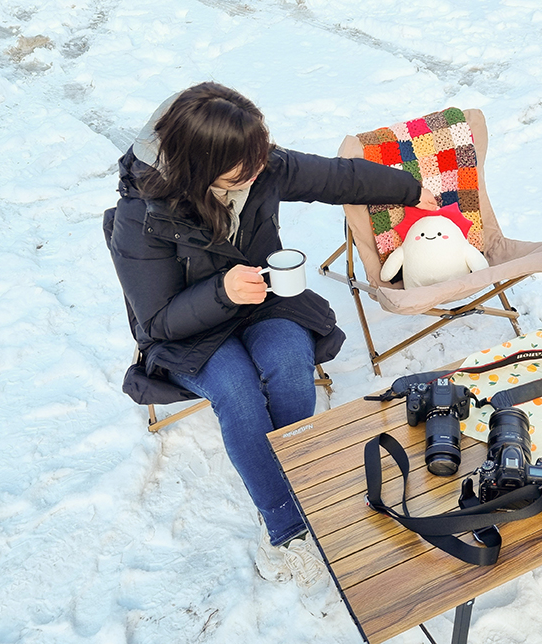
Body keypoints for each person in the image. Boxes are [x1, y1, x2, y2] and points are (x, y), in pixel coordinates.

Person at [105, 82, 436, 593]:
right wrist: (221, 291)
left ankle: (299, 477)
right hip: (187, 328)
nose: (261, 169)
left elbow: (338, 177)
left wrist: (411, 190)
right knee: (237, 392)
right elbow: (156, 323)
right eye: (245, 165)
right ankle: (285, 526)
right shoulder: (142, 215)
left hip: (262, 295)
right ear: (201, 164)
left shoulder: (257, 162)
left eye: (262, 154)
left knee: (287, 360)